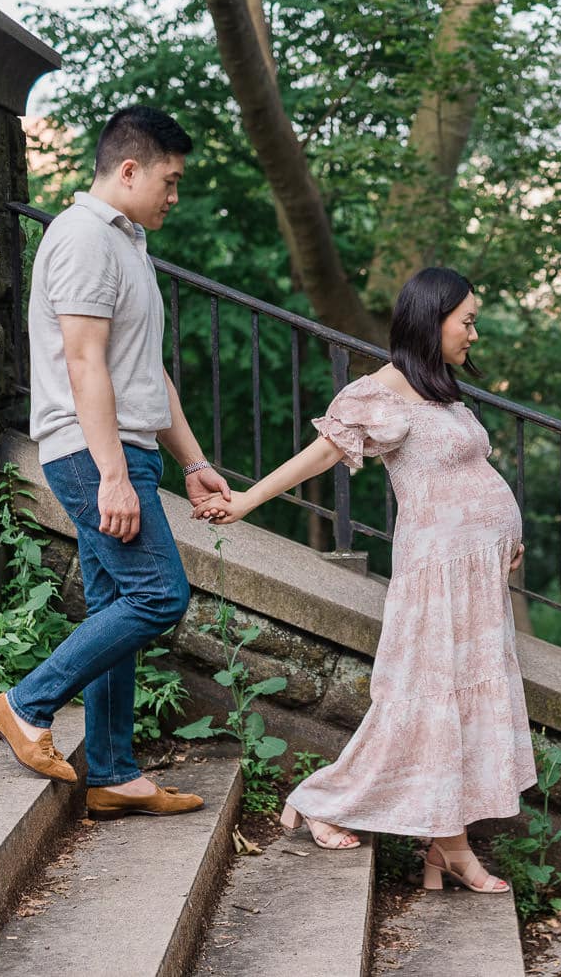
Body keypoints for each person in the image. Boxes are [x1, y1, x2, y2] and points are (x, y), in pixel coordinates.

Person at [194, 267, 536, 893]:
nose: (474, 333)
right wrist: (246, 501)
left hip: (476, 580)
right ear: (432, 319)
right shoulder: (381, 393)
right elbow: (321, 454)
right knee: (423, 701)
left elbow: (468, 481)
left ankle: (447, 847)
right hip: (436, 580)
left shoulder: (439, 391)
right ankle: (323, 801)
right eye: (467, 321)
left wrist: (504, 538)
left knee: (456, 704)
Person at [0, 105, 233, 820]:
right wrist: (114, 474)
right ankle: (25, 705)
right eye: (171, 181)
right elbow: (85, 363)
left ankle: (115, 771)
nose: (175, 197)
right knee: (159, 595)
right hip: (95, 453)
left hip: (127, 449)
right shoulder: (85, 237)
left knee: (119, 602)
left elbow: (141, 369)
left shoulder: (128, 244)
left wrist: (192, 461)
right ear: (129, 170)